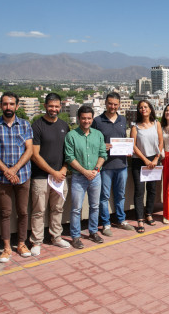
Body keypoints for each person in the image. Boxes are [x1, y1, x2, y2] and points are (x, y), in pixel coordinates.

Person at [0, 92, 34, 262]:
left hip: (23, 175)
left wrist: (14, 169)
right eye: (5, 104)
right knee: (5, 213)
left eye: (11, 104)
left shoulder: (25, 125)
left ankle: (21, 243)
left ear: (17, 106)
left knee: (22, 212)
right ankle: (6, 248)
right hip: (1, 177)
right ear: (1, 106)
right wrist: (7, 171)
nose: (8, 107)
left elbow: (29, 150)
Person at [29, 93, 71, 256]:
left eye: (56, 106)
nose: (54, 109)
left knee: (57, 208)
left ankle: (56, 236)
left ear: (60, 106)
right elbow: (35, 154)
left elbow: (68, 152)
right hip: (41, 177)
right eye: (51, 106)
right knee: (39, 210)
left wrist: (63, 170)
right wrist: (53, 172)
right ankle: (36, 241)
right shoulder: (37, 126)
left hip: (60, 176)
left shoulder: (64, 126)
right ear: (45, 106)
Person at [92, 92, 135, 236]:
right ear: (105, 103)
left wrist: (128, 149)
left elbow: (125, 139)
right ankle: (106, 224)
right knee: (104, 196)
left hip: (122, 165)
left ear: (119, 105)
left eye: (116, 104)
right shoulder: (97, 121)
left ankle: (121, 220)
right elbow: (92, 141)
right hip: (105, 166)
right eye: (110, 103)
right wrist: (101, 146)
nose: (113, 106)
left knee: (120, 195)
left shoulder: (123, 119)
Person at [65, 105, 107, 249]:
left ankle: (93, 232)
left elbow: (103, 154)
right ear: (78, 118)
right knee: (76, 208)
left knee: (95, 206)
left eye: (89, 118)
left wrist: (95, 169)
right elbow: (70, 157)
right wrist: (84, 171)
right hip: (78, 177)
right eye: (83, 118)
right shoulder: (71, 136)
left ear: (92, 118)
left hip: (95, 176)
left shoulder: (98, 134)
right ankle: (76, 236)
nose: (86, 121)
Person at [130, 100, 163, 232]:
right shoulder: (135, 126)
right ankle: (140, 219)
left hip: (154, 160)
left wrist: (155, 159)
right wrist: (145, 160)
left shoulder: (157, 124)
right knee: (139, 191)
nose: (143, 109)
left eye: (145, 107)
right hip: (139, 161)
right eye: (140, 107)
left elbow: (161, 142)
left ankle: (149, 214)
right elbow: (133, 145)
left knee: (152, 189)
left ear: (150, 109)